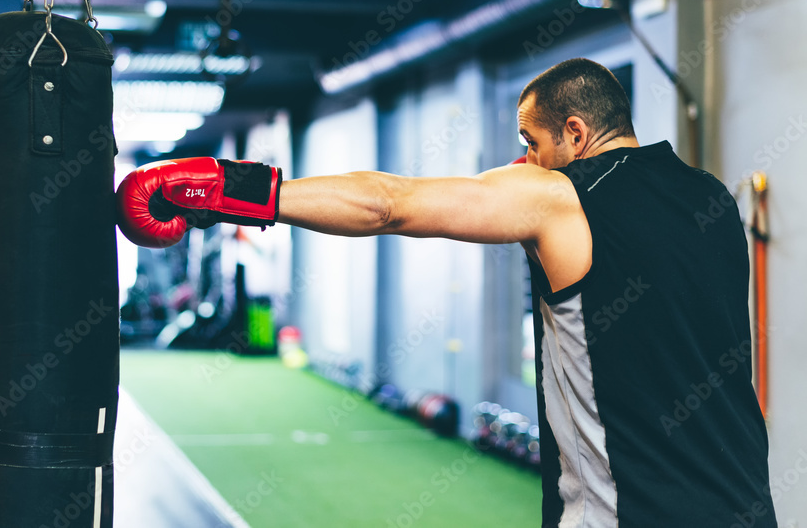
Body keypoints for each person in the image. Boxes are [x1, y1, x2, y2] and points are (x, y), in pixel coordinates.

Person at [116, 58, 776, 528]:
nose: (525, 161)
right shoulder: (711, 199)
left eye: (532, 143)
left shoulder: (559, 194)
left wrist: (234, 191)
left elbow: (389, 205)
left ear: (575, 134)